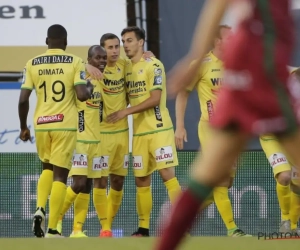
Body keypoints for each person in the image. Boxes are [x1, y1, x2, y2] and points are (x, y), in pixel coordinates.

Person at [154, 0, 300, 249]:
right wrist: (195, 57)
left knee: (208, 179)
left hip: (248, 73)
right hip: (261, 73)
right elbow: (217, 4)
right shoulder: (211, 61)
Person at [18, 24, 94, 238]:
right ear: (66, 42)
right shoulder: (75, 62)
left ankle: (40, 207)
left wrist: (23, 127)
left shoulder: (32, 63)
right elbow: (81, 95)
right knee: (60, 177)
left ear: (46, 41)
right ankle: (52, 229)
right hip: (65, 124)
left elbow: (23, 99)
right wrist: (89, 88)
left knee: (46, 169)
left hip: (42, 124)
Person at [175, 24, 250, 237]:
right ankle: (232, 229)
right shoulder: (202, 64)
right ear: (216, 40)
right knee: (220, 179)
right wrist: (179, 126)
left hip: (233, 131)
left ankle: (181, 220)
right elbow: (183, 93)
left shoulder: (237, 63)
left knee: (223, 181)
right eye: (228, 37)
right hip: (210, 128)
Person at [107, 26, 182, 237]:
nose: (125, 45)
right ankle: (143, 228)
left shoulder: (154, 65)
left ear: (141, 42)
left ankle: (182, 224)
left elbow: (156, 98)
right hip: (139, 133)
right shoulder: (124, 67)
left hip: (159, 129)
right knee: (141, 179)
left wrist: (126, 112)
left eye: (129, 40)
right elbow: (99, 61)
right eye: (124, 41)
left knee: (167, 175)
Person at [56, 45, 107, 238]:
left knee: (86, 186)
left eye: (104, 58)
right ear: (89, 59)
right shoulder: (79, 76)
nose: (102, 61)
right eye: (97, 58)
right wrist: (85, 66)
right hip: (79, 140)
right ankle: (56, 220)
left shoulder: (101, 80)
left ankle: (77, 229)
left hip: (96, 141)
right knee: (77, 183)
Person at [260, 68, 300, 234]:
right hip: (272, 136)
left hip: (292, 137)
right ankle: (285, 220)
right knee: (284, 176)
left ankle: (293, 226)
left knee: (298, 185)